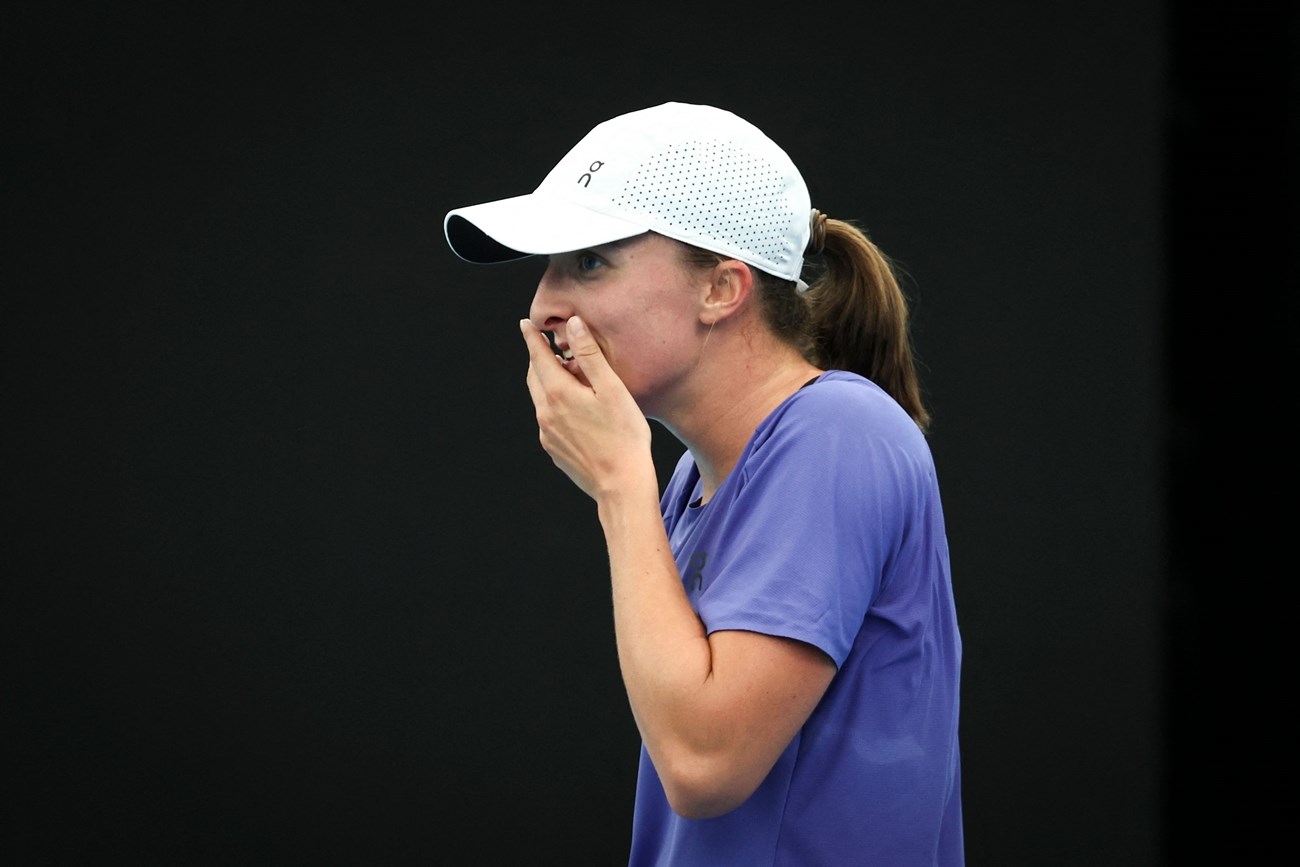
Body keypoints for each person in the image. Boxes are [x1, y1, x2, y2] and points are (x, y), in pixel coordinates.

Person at [443, 101, 963, 866]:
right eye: (548, 268)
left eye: (590, 260)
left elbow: (704, 765)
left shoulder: (839, 431)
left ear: (722, 288)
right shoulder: (694, 477)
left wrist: (620, 480)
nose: (544, 305)